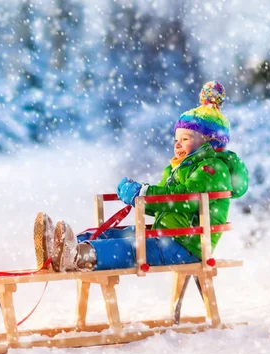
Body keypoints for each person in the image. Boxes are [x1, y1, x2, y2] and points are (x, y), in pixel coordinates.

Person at [34, 81, 249, 272]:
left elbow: (183, 200)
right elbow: (165, 203)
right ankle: (62, 247)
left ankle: (78, 255)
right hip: (170, 236)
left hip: (186, 245)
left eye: (185, 138)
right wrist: (139, 197)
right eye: (176, 138)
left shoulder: (211, 168)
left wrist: (143, 194)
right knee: (118, 234)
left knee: (130, 246)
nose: (177, 144)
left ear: (209, 141)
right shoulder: (181, 168)